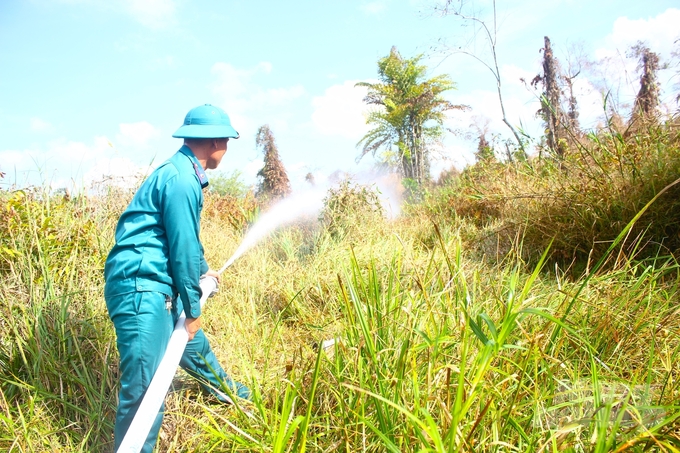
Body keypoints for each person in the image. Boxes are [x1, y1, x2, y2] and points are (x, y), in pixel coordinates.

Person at [104, 104, 251, 453]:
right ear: (213, 141)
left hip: (158, 285)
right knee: (145, 388)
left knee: (194, 349)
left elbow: (186, 238)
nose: (226, 150)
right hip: (142, 287)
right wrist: (193, 307)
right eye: (226, 141)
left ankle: (239, 398)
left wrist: (203, 272)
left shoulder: (183, 172)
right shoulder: (183, 179)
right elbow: (182, 249)